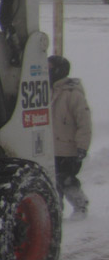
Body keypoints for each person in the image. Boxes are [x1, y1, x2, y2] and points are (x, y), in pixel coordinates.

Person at [48, 55, 91, 219]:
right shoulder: (47, 90)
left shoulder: (73, 95)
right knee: (52, 180)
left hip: (68, 148)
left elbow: (84, 122)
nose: (47, 70)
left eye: (50, 67)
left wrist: (82, 146)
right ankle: (55, 211)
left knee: (66, 179)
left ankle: (80, 205)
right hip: (50, 147)